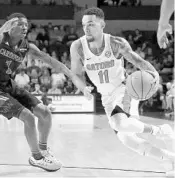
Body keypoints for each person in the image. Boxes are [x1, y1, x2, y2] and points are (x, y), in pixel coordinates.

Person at [70, 7, 175, 175]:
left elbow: (139, 62)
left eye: (90, 24)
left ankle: (161, 131)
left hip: (124, 89)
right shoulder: (77, 47)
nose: (86, 28)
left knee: (118, 123)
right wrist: (83, 88)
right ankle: (172, 158)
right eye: (84, 25)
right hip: (106, 97)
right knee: (128, 140)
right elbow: (75, 74)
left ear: (102, 24)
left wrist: (154, 76)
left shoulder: (115, 43)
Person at [0, 13, 90, 171]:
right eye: (21, 24)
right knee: (27, 116)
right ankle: (37, 158)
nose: (25, 27)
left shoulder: (26, 46)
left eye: (27, 25)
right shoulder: (1, 38)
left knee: (45, 112)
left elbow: (52, 61)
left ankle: (43, 150)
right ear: (11, 26)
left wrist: (75, 79)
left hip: (8, 84)